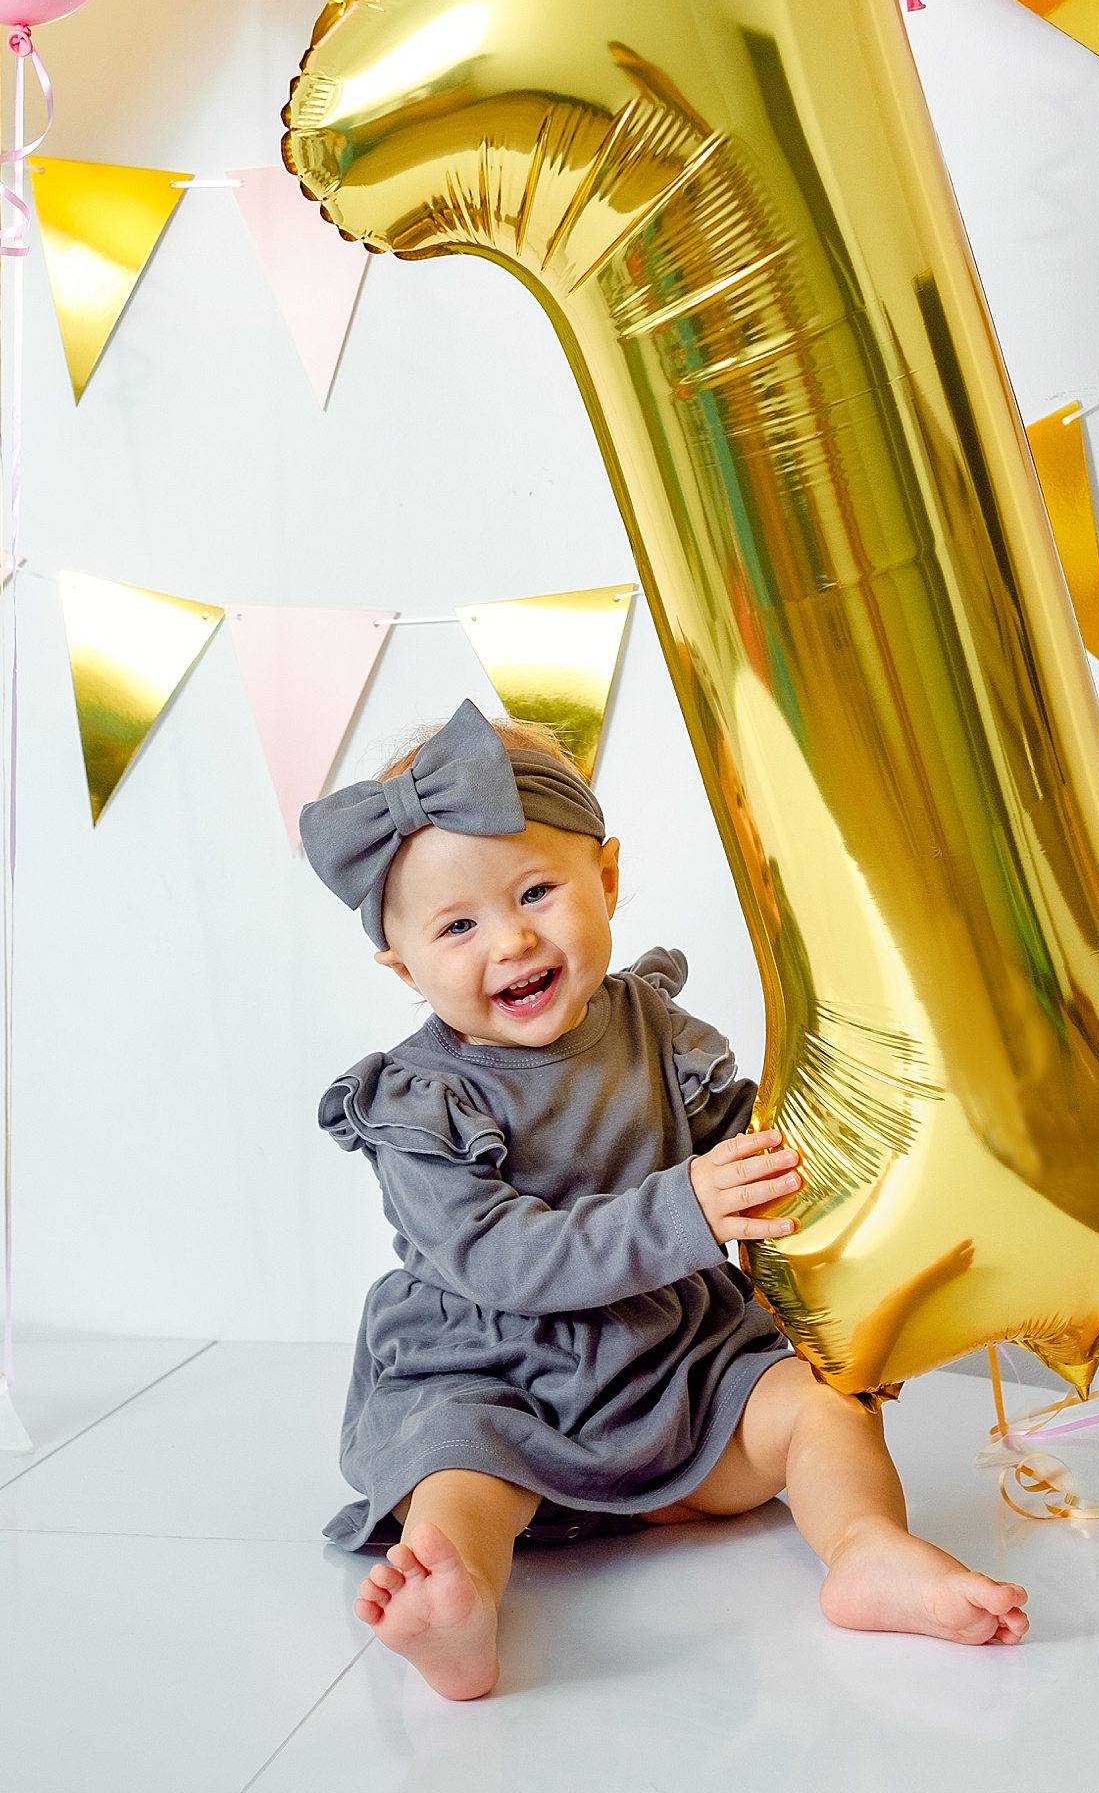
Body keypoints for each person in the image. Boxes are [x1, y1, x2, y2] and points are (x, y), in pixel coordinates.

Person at [302, 701, 1028, 1701]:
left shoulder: (653, 1027)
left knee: (820, 1407)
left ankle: (863, 1547)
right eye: (458, 925)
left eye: (536, 891)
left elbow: (749, 1158)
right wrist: (685, 1207)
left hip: (673, 1369)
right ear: (404, 964)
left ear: (603, 879)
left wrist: (870, 1195)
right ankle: (458, 1595)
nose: (510, 940)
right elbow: (500, 1259)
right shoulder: (417, 1103)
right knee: (456, 1473)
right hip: (498, 1375)